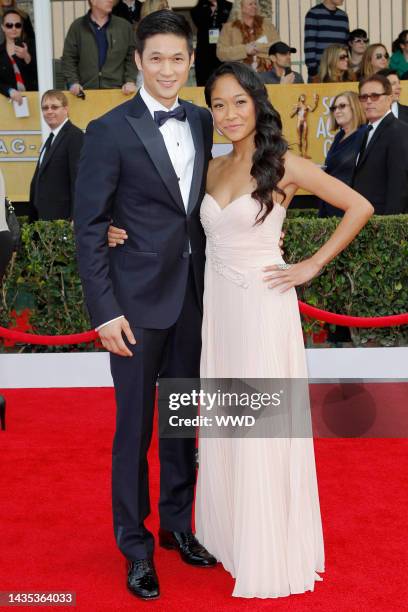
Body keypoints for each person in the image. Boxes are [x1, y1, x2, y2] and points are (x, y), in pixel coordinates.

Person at [107, 60, 374, 598]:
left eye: (239, 103)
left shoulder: (286, 165)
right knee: (228, 424)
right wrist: (121, 230)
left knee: (261, 428)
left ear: (258, 103)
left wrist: (311, 265)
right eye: (219, 104)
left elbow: (359, 206)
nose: (228, 115)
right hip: (218, 313)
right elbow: (170, 221)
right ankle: (228, 535)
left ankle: (268, 544)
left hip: (262, 307)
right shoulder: (210, 167)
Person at [74, 10, 217, 601]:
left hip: (192, 301)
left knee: (182, 423)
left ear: (190, 61)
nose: (166, 69)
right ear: (137, 61)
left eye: (176, 58)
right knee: (133, 432)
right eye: (154, 58)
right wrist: (104, 312)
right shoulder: (108, 130)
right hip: (132, 308)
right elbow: (89, 227)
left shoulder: (205, 121)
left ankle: (177, 526)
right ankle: (135, 545)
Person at [352, 73, 408, 214]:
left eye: (375, 96)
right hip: (366, 217)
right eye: (364, 97)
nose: (369, 101)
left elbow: (399, 184)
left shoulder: (398, 131)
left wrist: (389, 224)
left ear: (389, 98)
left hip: (384, 222)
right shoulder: (365, 131)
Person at [28, 90, 83, 222]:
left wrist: (75, 218)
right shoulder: (51, 138)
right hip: (44, 218)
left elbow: (78, 180)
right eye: (45, 108)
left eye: (54, 107)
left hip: (62, 220)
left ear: (66, 109)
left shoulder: (75, 136)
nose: (49, 111)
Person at [62, 0, 137, 97]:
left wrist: (130, 81)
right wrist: (73, 83)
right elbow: (69, 58)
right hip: (85, 94)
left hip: (118, 93)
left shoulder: (124, 26)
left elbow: (132, 56)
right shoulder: (77, 27)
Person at [318, 91, 367, 217]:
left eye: (342, 106)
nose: (337, 111)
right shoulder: (339, 135)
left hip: (349, 205)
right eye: (334, 108)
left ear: (355, 107)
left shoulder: (364, 134)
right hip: (330, 201)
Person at [216, 0, 279, 74]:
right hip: (239, 75)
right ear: (241, 7)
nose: (254, 6)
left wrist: (257, 47)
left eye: (255, 4)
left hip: (267, 74)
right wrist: (245, 50)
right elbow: (221, 53)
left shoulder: (267, 25)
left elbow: (277, 47)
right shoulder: (228, 28)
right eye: (250, 4)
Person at [304, 0, 349, 82]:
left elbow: (345, 45)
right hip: (320, 73)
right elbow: (309, 44)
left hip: (340, 73)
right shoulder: (313, 14)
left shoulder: (343, 16)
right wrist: (313, 71)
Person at [191, 0, 232, 86]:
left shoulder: (229, 6)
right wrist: (210, 11)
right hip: (204, 52)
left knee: (223, 81)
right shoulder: (197, 9)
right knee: (204, 83)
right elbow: (200, 23)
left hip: (223, 51)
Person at [0, 8, 37, 103]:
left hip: (33, 99)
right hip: (9, 103)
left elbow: (41, 74)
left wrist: (27, 57)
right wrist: (9, 90)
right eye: (9, 25)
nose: (14, 28)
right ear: (3, 27)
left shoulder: (32, 46)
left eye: (18, 25)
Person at [290, 93, 319, 158]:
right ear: (299, 98)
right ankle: (300, 153)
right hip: (299, 122)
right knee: (299, 138)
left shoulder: (307, 106)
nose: (304, 97)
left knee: (305, 138)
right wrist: (296, 110)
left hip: (304, 122)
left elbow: (312, 110)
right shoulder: (297, 105)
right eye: (302, 96)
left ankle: (305, 154)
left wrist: (316, 103)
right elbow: (291, 115)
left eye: (304, 97)